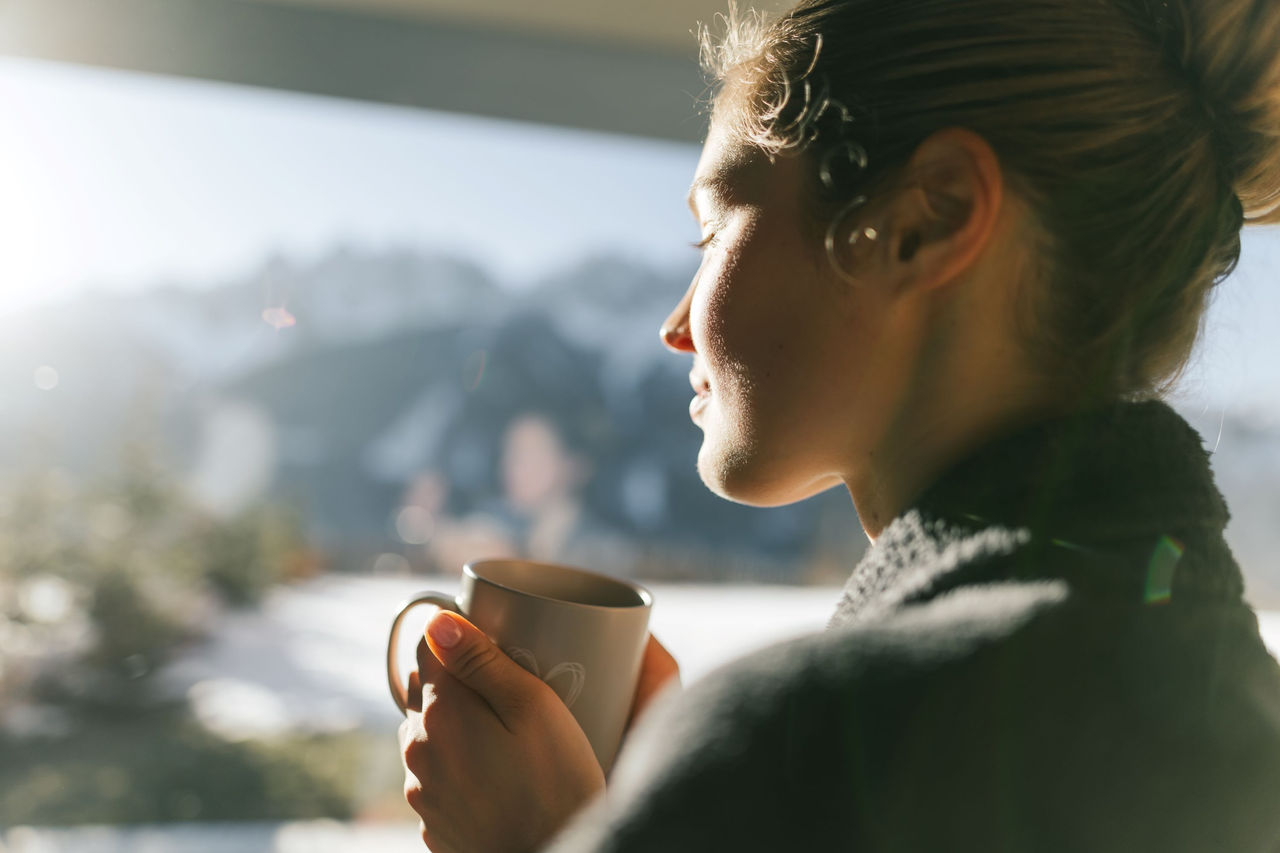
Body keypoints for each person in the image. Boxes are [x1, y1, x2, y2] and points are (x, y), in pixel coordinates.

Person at [399, 0, 1280, 849]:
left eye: (712, 234)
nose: (674, 326)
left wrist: (559, 837)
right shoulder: (1219, 693)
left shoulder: (821, 744)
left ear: (923, 220)